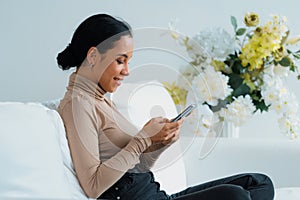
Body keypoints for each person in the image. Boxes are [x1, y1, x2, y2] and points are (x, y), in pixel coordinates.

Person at [57, 13, 275, 200]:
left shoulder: (101, 98)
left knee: (259, 183)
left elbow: (136, 169)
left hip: (158, 195)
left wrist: (157, 144)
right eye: (120, 61)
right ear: (93, 55)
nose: (126, 71)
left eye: (128, 61)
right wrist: (142, 139)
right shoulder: (78, 104)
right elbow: (93, 186)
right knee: (235, 196)